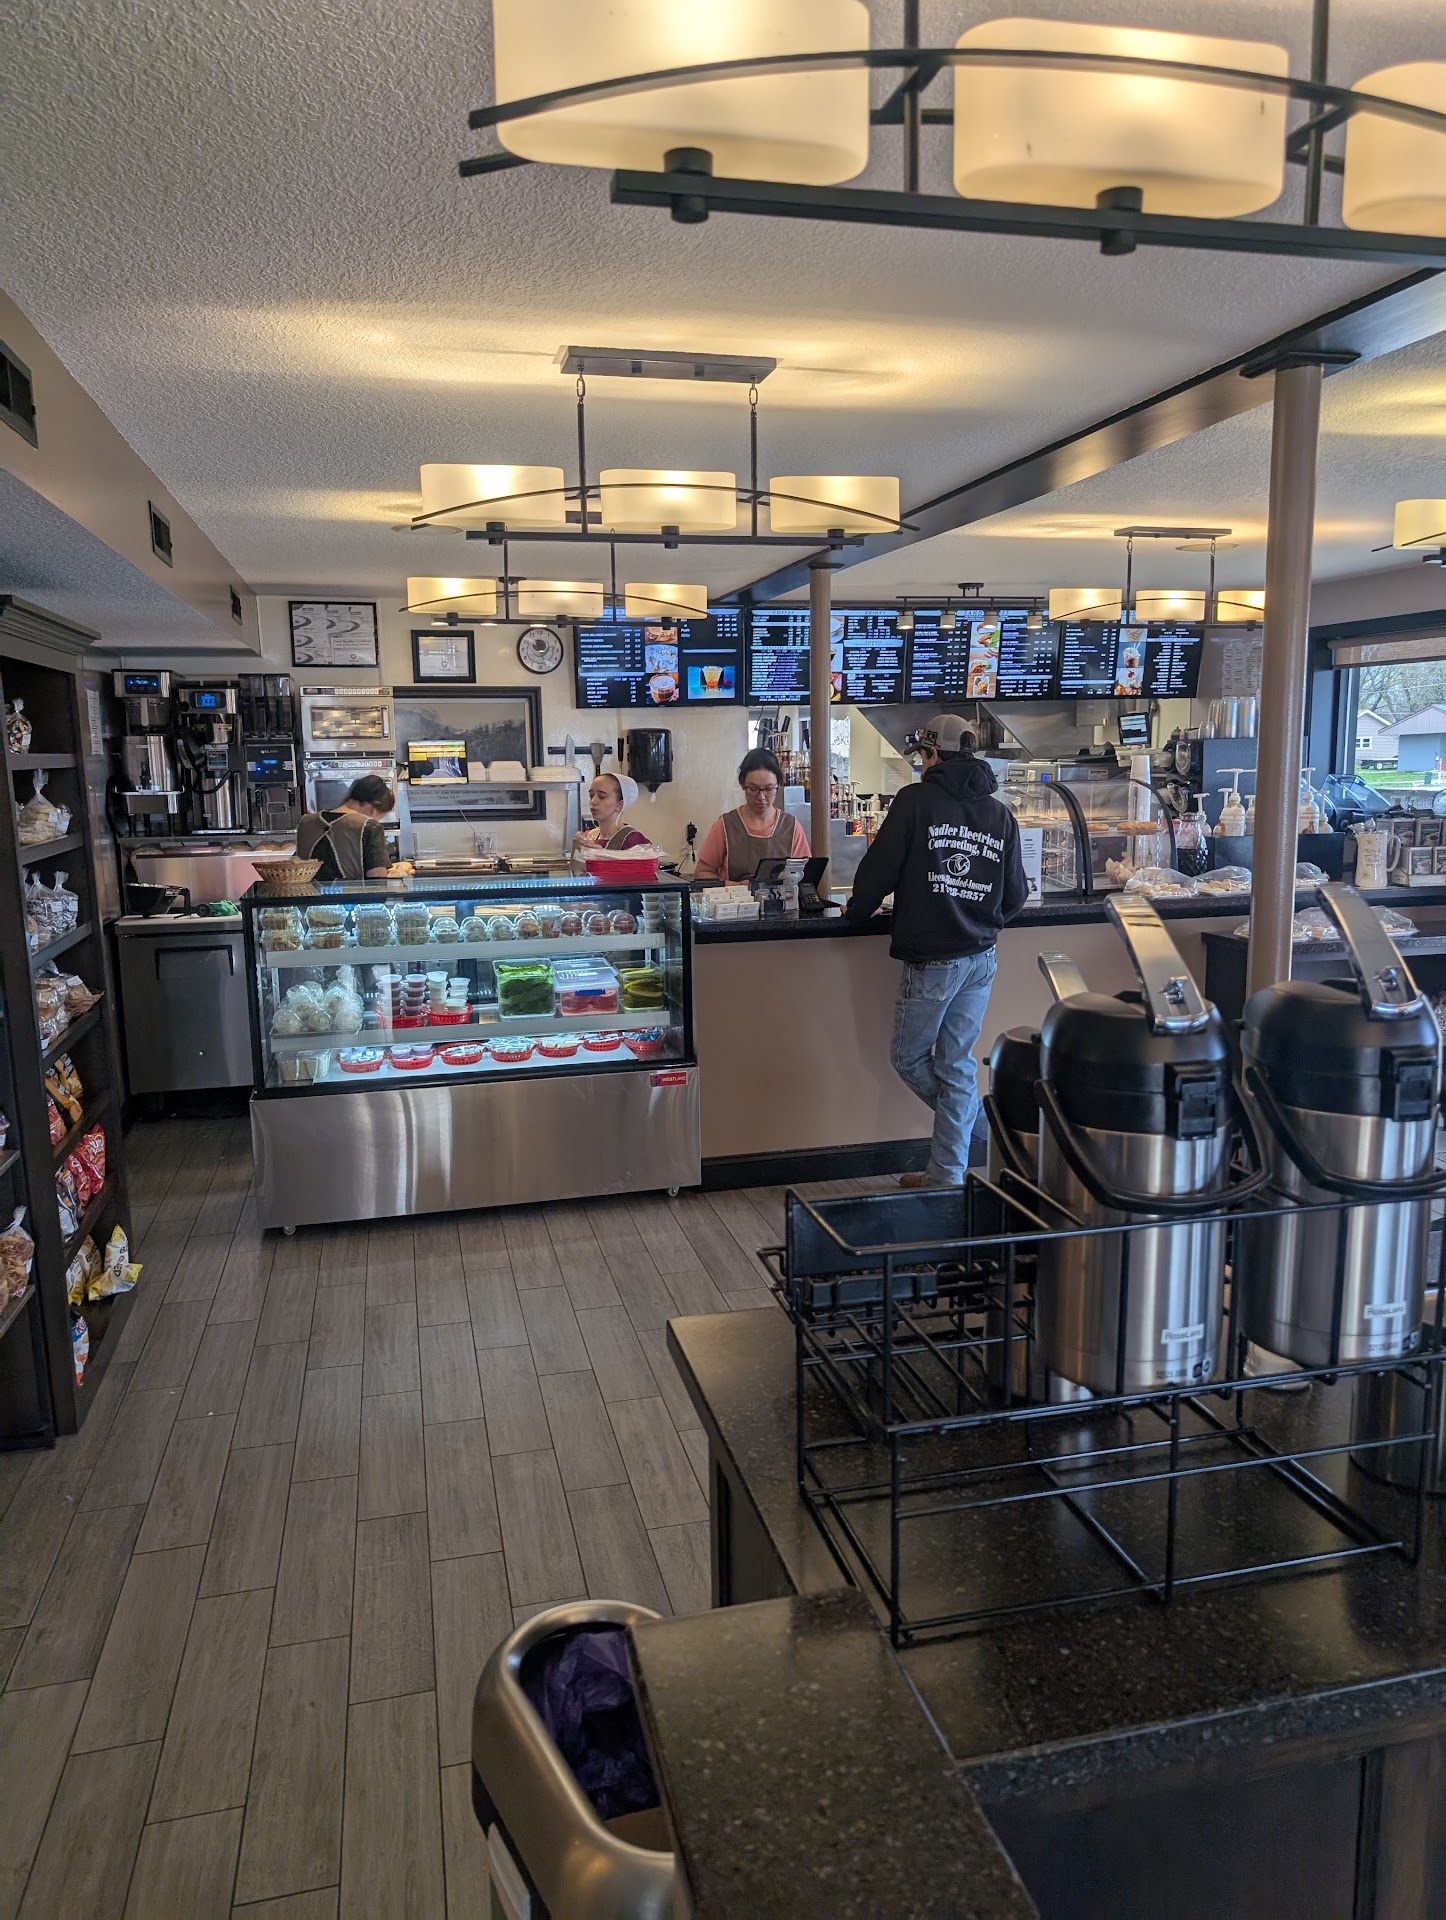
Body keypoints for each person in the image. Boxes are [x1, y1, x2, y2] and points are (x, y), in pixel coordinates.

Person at [845, 715, 1028, 1188]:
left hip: (935, 961)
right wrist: (980, 922)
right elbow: (1017, 896)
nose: (921, 763)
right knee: (956, 1067)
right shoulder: (1000, 814)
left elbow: (878, 871)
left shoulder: (914, 801)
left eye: (922, 755)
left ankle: (977, 1136)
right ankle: (952, 1171)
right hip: (981, 960)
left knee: (909, 1058)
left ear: (932, 755)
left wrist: (856, 913)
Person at [695, 748, 810, 882]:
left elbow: (806, 875)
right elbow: (702, 873)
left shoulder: (791, 826)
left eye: (768, 789)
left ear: (778, 784)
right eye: (753, 789)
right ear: (742, 784)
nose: (761, 797)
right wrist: (734, 887)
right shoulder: (726, 825)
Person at [295, 774, 402, 881]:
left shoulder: (305, 822)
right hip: (352, 892)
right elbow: (378, 880)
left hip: (306, 891)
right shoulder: (370, 826)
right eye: (379, 817)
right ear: (372, 810)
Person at [573, 772, 649, 855]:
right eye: (591, 795)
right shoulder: (589, 837)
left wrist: (605, 858)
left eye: (601, 796)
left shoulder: (633, 840)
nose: (593, 801)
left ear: (619, 805)